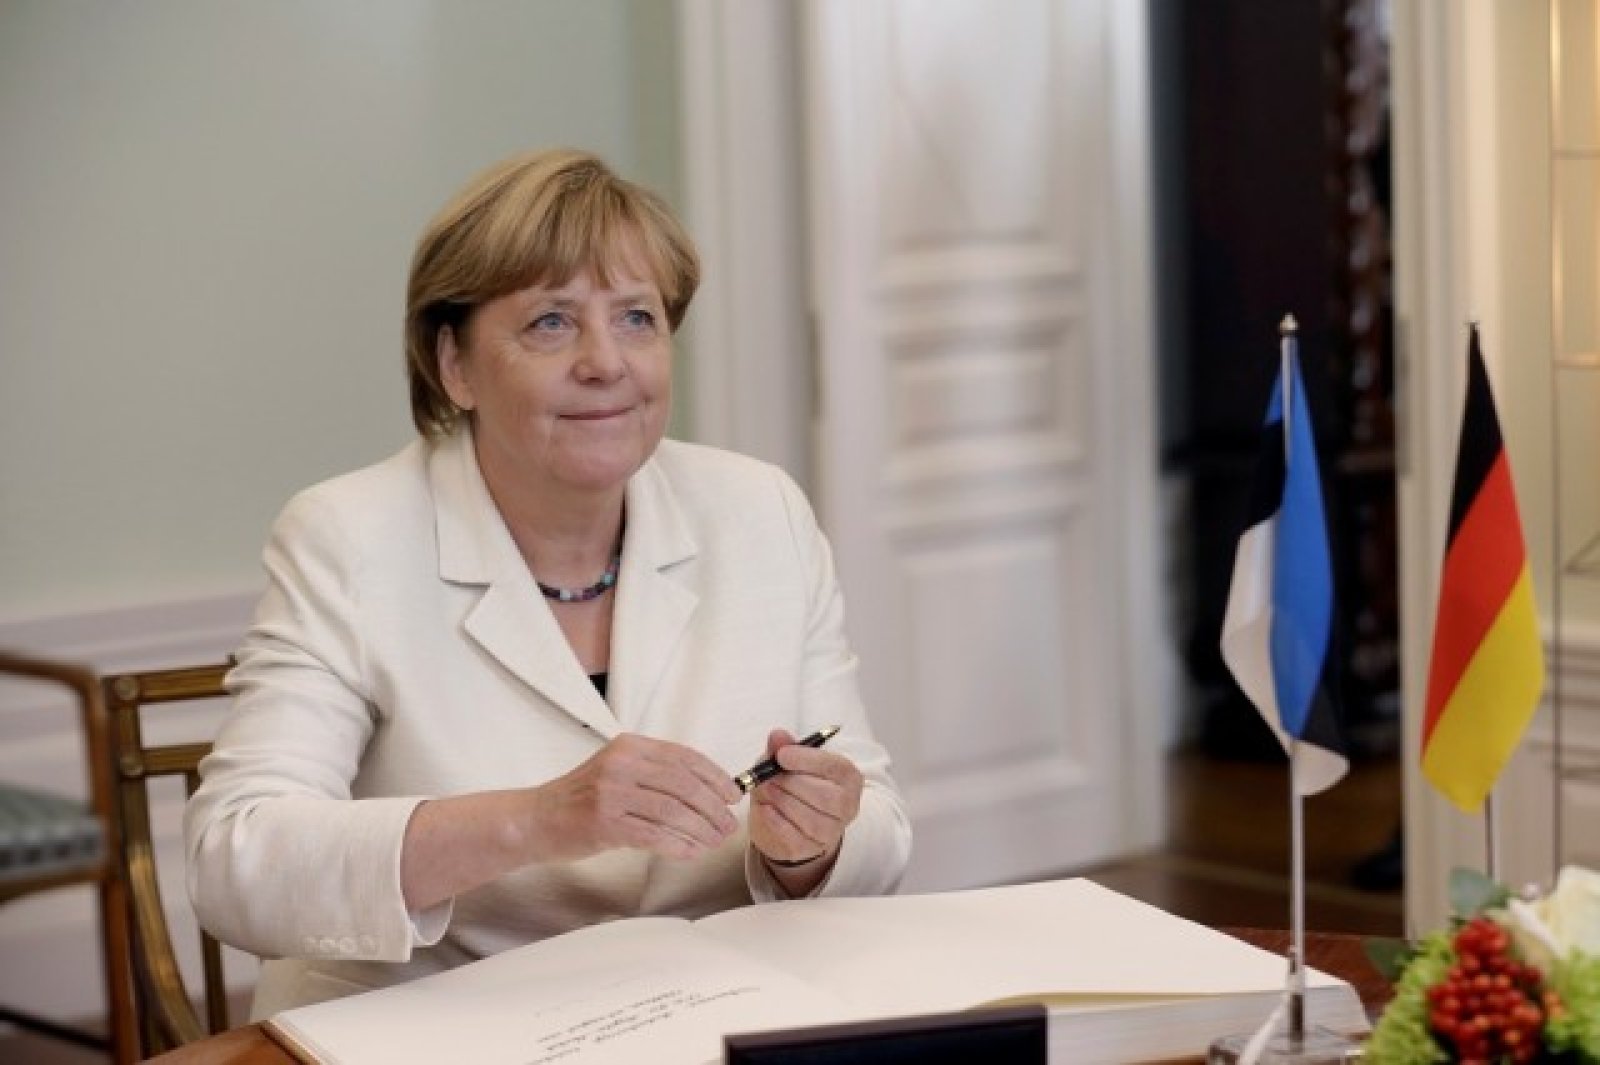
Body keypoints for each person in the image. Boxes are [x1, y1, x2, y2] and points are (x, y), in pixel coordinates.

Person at [184, 148, 912, 1016]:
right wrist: (540, 818)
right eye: (551, 323)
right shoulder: (347, 537)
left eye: (636, 317)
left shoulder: (761, 511)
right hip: (439, 1022)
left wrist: (813, 847)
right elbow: (236, 859)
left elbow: (878, 823)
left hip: (704, 1016)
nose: (606, 361)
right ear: (454, 364)